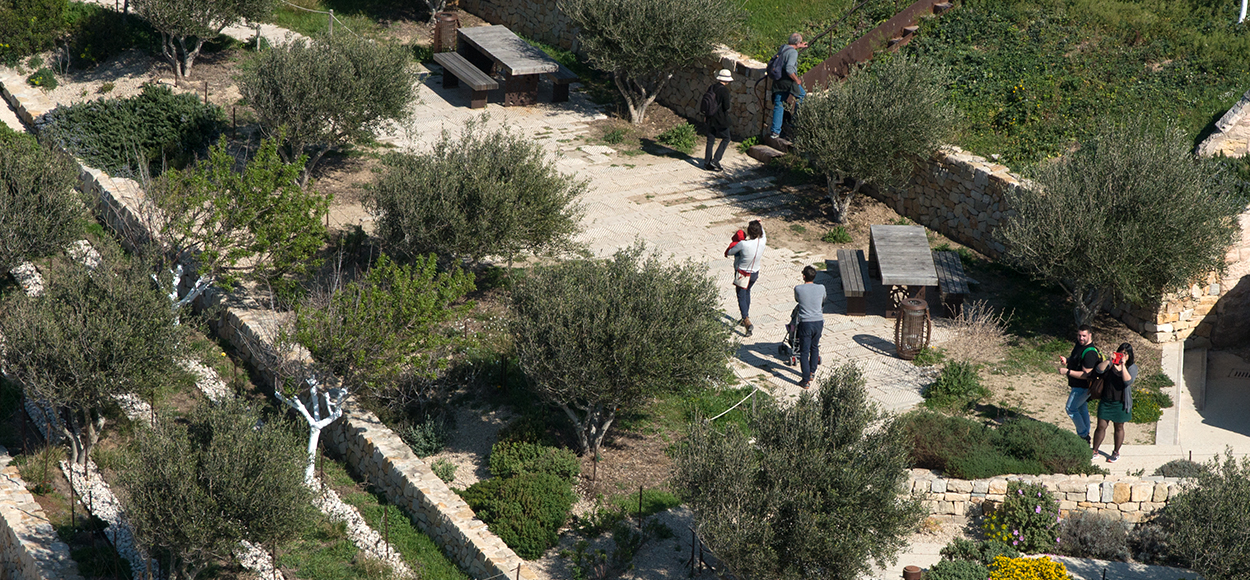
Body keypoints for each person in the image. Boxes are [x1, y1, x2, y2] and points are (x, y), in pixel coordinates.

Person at [1092, 343, 1138, 463]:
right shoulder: (1110, 364)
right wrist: (1109, 360)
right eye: (1121, 352)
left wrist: (1122, 366)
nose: (1122, 355)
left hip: (1120, 403)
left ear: (1129, 355)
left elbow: (1128, 381)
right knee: (1101, 426)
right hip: (1106, 400)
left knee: (1119, 427)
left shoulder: (1132, 367)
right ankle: (1094, 450)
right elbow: (1098, 370)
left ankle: (1116, 452)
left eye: (1125, 353)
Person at [1057, 325, 1101, 445]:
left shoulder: (1090, 353)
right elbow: (1076, 359)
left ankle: (1083, 435)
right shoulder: (1080, 345)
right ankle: (1085, 434)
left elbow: (1086, 374)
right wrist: (1067, 361)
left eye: (1084, 336)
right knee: (1081, 408)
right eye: (1079, 335)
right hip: (1078, 386)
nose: (1081, 338)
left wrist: (1068, 372)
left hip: (1083, 387)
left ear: (1090, 335)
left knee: (1070, 408)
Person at [725, 219, 765, 337]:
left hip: (743, 273)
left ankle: (746, 321)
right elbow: (763, 232)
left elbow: (730, 252)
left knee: (741, 295)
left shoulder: (743, 244)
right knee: (747, 292)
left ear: (748, 231)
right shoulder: (762, 241)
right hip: (755, 273)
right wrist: (760, 224)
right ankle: (746, 316)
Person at [769, 33, 808, 139]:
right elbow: (789, 69)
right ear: (797, 43)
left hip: (778, 80)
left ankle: (775, 132)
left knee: (779, 103)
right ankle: (795, 123)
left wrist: (799, 45)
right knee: (802, 97)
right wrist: (797, 80)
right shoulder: (793, 53)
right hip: (788, 80)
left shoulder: (783, 48)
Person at [793, 265, 826, 388]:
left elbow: (797, 300)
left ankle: (805, 380)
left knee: (804, 351)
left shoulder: (798, 288)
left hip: (805, 322)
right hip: (818, 322)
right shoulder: (821, 288)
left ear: (803, 276)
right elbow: (824, 300)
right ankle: (812, 372)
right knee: (814, 347)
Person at [703, 69, 734, 172]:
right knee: (726, 138)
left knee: (710, 140)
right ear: (727, 80)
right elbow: (726, 106)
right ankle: (716, 160)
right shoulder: (724, 90)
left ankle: (707, 163)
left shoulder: (711, 87)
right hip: (720, 119)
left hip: (710, 117)